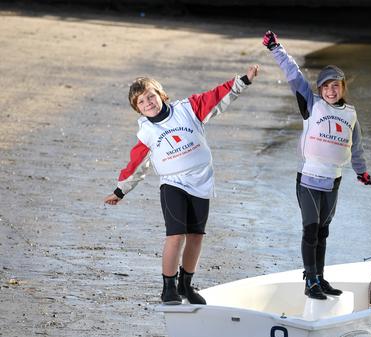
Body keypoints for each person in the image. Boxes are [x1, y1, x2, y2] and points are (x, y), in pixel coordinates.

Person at [103, 65, 259, 305]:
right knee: (176, 236)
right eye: (142, 102)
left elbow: (216, 96)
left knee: (196, 236)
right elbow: (136, 164)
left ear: (162, 94)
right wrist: (120, 190)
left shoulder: (188, 109)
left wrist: (243, 81)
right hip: (173, 185)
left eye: (151, 96)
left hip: (201, 182)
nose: (149, 103)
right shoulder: (147, 132)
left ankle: (186, 285)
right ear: (138, 110)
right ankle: (169, 287)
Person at [262, 31, 371, 300]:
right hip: (309, 179)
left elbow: (355, 146)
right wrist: (277, 49)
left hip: (334, 180)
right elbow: (294, 75)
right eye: (326, 87)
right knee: (310, 229)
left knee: (323, 231)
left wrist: (361, 171)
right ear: (320, 90)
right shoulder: (311, 105)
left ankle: (320, 278)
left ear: (342, 88)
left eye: (336, 86)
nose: (331, 91)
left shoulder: (350, 114)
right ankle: (309, 280)